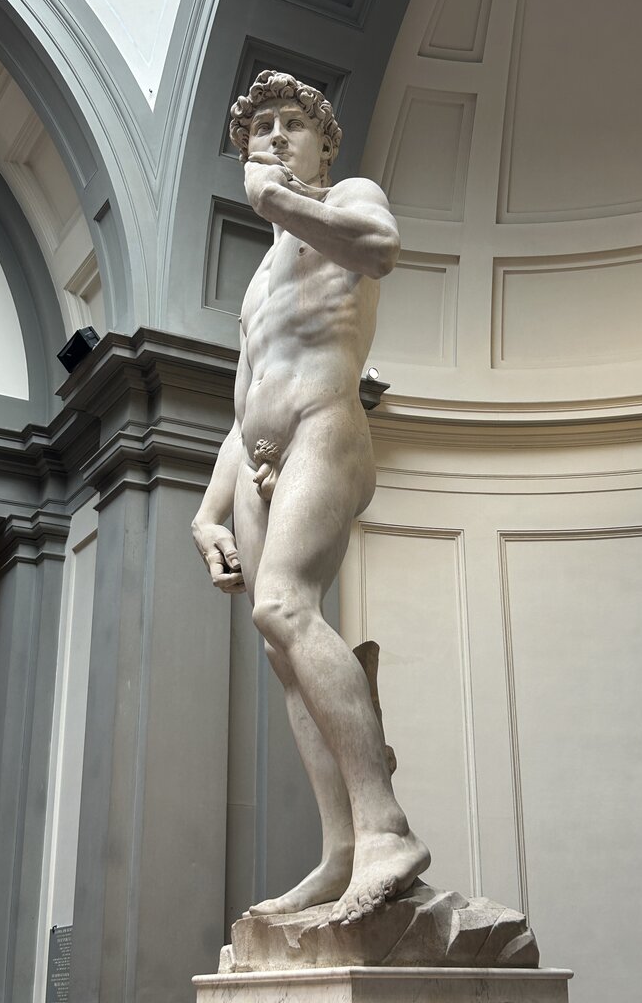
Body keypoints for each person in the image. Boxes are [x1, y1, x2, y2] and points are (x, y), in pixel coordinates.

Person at [192, 70, 429, 925]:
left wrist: (280, 202)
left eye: (293, 124)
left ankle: (385, 828)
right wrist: (208, 512)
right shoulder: (259, 278)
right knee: (283, 651)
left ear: (324, 144)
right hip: (258, 460)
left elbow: (379, 249)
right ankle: (341, 850)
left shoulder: (347, 196)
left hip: (327, 429)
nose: (276, 137)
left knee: (284, 605)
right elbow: (243, 404)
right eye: (262, 129)